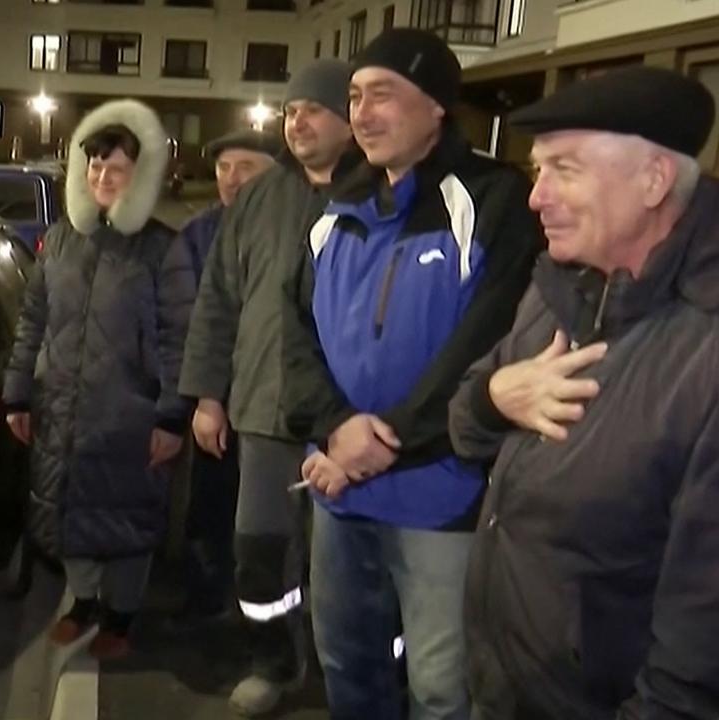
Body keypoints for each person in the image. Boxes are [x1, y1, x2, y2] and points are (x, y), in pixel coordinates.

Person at [448, 66, 719, 719]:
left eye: (564, 169)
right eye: (537, 170)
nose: (535, 197)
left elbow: (700, 643)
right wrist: (495, 397)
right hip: (504, 682)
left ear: (653, 180)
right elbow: (464, 421)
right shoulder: (558, 289)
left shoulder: (706, 346)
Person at [295, 29, 542, 720]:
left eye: (383, 94)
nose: (363, 113)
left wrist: (376, 446)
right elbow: (293, 337)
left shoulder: (494, 201)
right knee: (348, 665)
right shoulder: (336, 209)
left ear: (437, 106)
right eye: (354, 97)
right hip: (338, 494)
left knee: (443, 687)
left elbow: (487, 345)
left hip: (440, 498)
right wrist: (334, 429)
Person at [180, 59, 360, 717]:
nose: (298, 121)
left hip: (350, 421)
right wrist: (207, 394)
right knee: (259, 553)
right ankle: (275, 662)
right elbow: (218, 301)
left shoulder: (379, 194)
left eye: (313, 109)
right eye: (290, 111)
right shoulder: (260, 200)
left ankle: (359, 677)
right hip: (262, 410)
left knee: (349, 564)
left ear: (351, 116)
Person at [1, 99, 195, 661]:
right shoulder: (61, 239)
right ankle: (83, 601)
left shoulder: (162, 248)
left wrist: (170, 415)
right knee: (67, 513)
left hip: (128, 417)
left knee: (128, 520)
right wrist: (18, 391)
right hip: (61, 408)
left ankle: (121, 615)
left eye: (117, 169)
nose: (103, 178)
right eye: (94, 167)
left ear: (141, 177)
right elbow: (33, 319)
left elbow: (178, 336)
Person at [174, 128, 281, 624]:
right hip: (216, 399)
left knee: (266, 521)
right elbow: (195, 320)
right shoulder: (198, 234)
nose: (232, 179)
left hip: (274, 401)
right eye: (223, 168)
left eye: (247, 167)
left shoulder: (295, 226)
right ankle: (208, 600)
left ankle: (261, 613)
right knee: (210, 506)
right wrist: (205, 396)